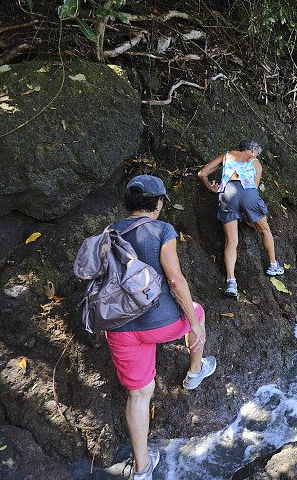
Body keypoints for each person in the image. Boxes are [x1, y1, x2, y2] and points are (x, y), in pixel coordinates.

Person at [105, 175, 216, 480]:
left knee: (139, 394)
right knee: (197, 311)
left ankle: (142, 468)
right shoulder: (162, 229)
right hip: (160, 323)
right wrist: (196, 326)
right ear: (157, 202)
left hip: (119, 326)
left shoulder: (110, 232)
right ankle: (195, 372)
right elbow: (175, 280)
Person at [198, 138, 283, 297]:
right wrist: (250, 217)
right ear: (253, 150)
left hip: (227, 194)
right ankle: (273, 265)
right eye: (257, 153)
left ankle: (231, 282)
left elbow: (202, 173)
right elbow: (253, 189)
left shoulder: (227, 155)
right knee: (265, 230)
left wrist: (210, 187)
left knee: (231, 241)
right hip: (248, 194)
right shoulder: (255, 162)